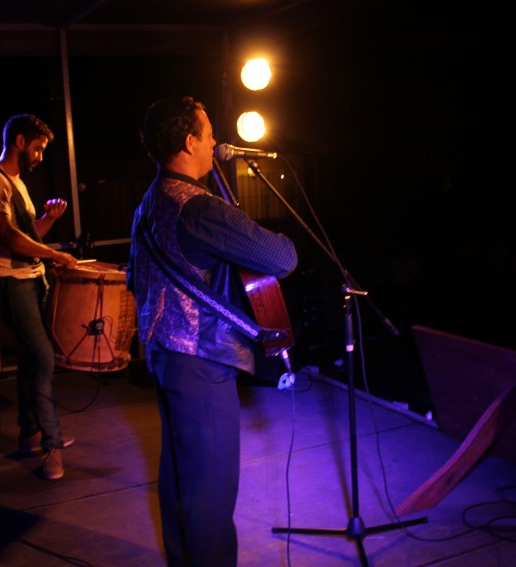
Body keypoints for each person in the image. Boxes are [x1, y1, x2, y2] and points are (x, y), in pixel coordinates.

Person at [127, 96, 298, 566]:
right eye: (208, 133)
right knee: (210, 493)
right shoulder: (199, 209)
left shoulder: (151, 200)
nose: (215, 142)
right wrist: (246, 226)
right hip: (201, 366)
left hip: (164, 355)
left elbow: (133, 277)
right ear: (188, 141)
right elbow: (283, 257)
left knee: (182, 480)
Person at [0, 113, 78, 481]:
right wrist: (55, 254)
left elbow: (28, 235)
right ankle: (52, 445)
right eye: (38, 148)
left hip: (30, 281)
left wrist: (48, 219)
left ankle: (29, 434)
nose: (40, 156)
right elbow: (7, 238)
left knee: (31, 360)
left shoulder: (15, 183)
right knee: (44, 359)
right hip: (10, 284)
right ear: (19, 141)